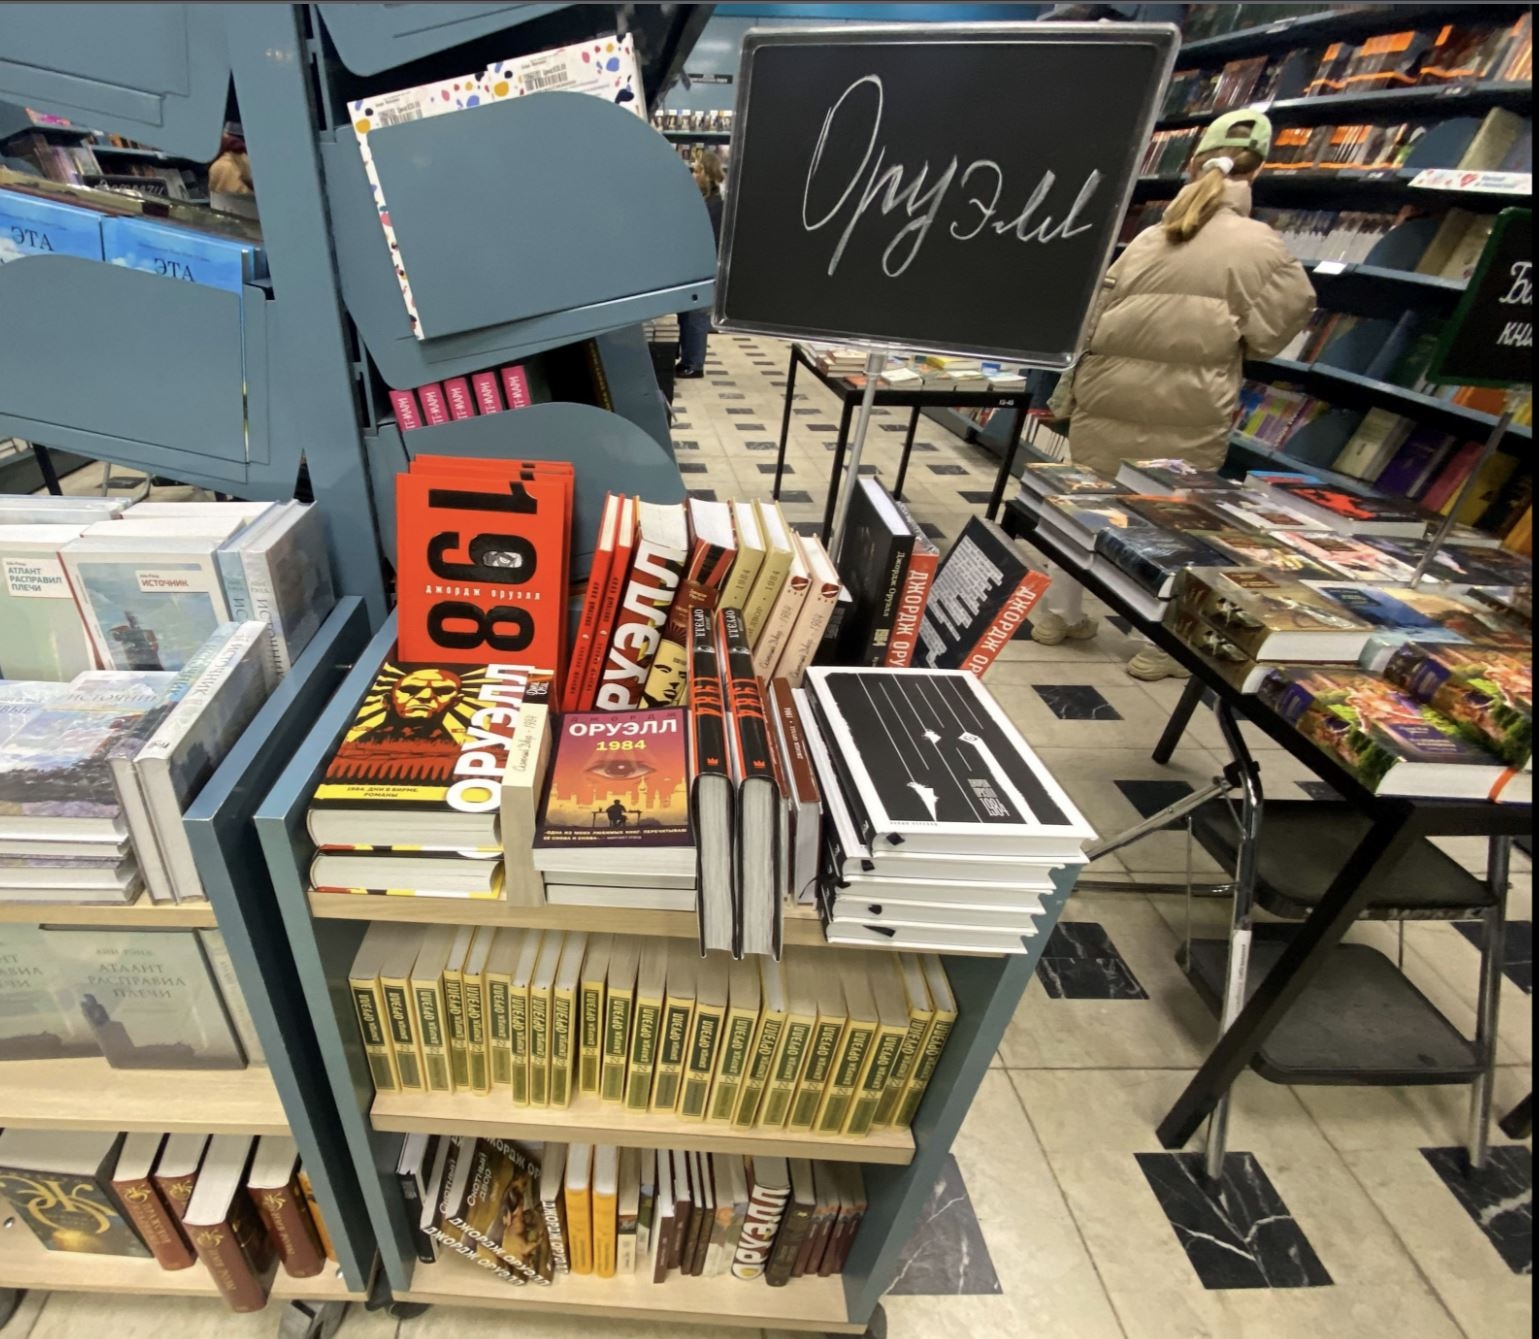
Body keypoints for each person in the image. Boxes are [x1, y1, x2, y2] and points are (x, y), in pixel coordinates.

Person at [1032, 109, 1315, 681]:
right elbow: (1277, 327)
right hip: (1191, 407)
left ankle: (1056, 618)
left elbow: (1095, 316)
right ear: (1257, 172)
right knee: (1169, 524)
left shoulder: (1149, 236)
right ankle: (1153, 644)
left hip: (1107, 393)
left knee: (1085, 505)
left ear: (1193, 164)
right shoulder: (1263, 247)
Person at [676, 149, 725, 379]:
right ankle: (688, 358)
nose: (693, 175)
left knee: (696, 316)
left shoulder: (715, 204)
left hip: (703, 269)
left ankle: (694, 364)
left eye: (696, 170)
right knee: (687, 315)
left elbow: (709, 239)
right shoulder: (706, 201)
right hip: (693, 266)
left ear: (705, 173)